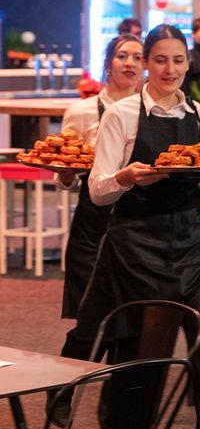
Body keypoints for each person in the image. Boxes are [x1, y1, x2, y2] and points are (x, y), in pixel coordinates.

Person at [64, 24, 200, 429]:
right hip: (138, 248)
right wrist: (125, 177)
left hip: (193, 245)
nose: (169, 69)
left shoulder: (198, 114)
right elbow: (98, 190)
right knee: (143, 358)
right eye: (160, 59)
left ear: (187, 63)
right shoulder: (122, 114)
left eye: (178, 60)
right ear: (147, 62)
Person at [56, 34, 143, 322]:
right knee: (90, 316)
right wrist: (65, 175)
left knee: (133, 314)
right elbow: (66, 176)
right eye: (122, 56)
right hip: (93, 221)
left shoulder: (151, 112)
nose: (129, 63)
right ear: (108, 64)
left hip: (139, 222)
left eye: (137, 57)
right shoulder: (81, 111)